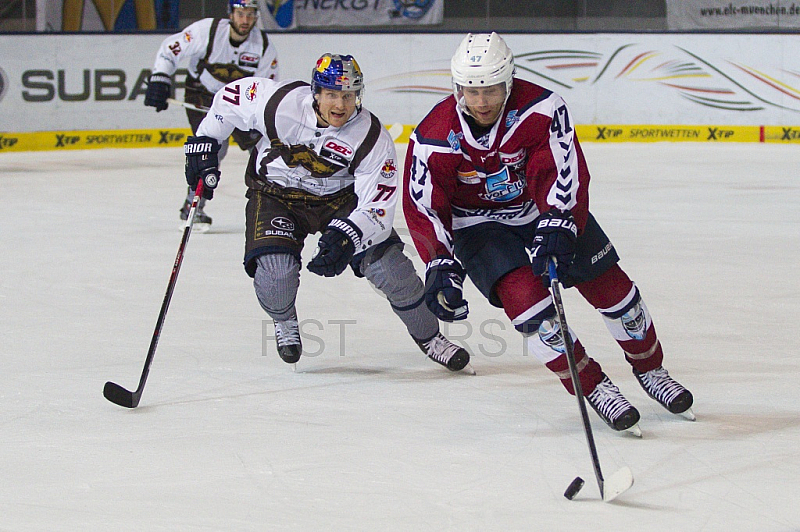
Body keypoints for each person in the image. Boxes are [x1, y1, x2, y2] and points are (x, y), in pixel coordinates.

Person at [402, 32, 694, 433]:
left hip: (542, 209)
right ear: (458, 88)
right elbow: (424, 204)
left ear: (509, 81)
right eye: (471, 90)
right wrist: (440, 261)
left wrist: (559, 219)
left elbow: (562, 166)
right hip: (480, 226)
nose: (481, 101)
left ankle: (650, 369)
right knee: (533, 310)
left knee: (614, 290)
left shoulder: (541, 108)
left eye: (489, 89)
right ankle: (593, 385)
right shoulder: (434, 135)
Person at [181, 53, 471, 372]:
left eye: (348, 95)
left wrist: (348, 235)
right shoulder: (280, 104)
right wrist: (206, 141)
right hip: (277, 194)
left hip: (339, 199)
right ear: (316, 92)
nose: (340, 104)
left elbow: (379, 205)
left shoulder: (371, 137)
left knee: (391, 270)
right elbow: (229, 99)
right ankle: (284, 321)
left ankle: (430, 338)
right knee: (277, 276)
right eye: (332, 94)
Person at [144, 0, 279, 230]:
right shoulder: (208, 30)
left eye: (249, 15)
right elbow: (171, 48)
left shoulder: (264, 48)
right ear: (230, 13)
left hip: (240, 103)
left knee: (266, 148)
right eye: (240, 14)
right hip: (202, 95)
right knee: (212, 146)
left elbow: (268, 86)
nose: (245, 20)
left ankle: (277, 207)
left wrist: (260, 117)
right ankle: (192, 207)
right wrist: (160, 77)